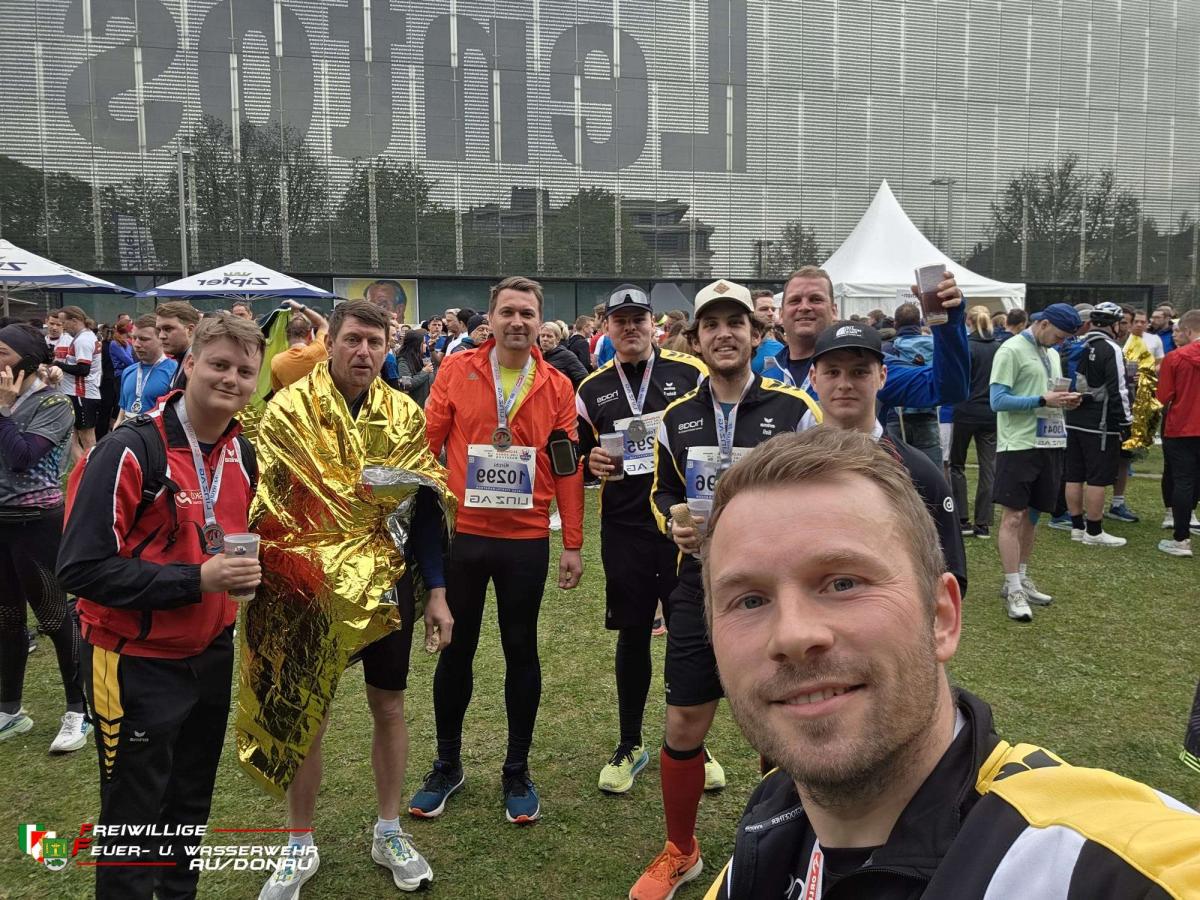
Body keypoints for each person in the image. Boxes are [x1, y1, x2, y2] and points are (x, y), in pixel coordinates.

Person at [700, 426, 1200, 900]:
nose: (792, 635)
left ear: (942, 616)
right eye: (749, 600)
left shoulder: (1101, 867)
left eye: (843, 583)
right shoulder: (775, 813)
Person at [245, 300, 455, 898]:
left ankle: (388, 830)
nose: (364, 351)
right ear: (329, 343)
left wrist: (437, 591)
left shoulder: (403, 412)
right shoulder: (288, 408)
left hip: (386, 581)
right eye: (353, 339)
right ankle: (298, 842)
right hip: (307, 584)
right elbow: (269, 503)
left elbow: (423, 508)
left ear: (387, 347)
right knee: (306, 711)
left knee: (389, 706)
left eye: (374, 342)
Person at [58, 315, 265, 899]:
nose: (230, 379)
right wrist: (196, 579)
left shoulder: (241, 450)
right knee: (133, 815)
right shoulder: (129, 449)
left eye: (244, 371)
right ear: (189, 364)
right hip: (133, 659)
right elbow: (80, 569)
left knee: (189, 802)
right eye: (218, 364)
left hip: (210, 652)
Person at [632, 279, 823, 900]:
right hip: (700, 585)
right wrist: (673, 525)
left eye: (735, 323)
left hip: (775, 589)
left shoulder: (795, 410)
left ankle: (793, 843)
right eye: (711, 325)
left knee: (784, 717)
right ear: (696, 339)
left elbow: (822, 491)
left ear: (755, 333)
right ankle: (680, 850)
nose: (723, 334)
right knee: (685, 720)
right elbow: (661, 491)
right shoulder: (676, 417)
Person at [413, 275, 584, 825]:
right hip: (463, 535)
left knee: (521, 650)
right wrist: (419, 517)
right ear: (491, 319)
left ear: (539, 322)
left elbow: (567, 465)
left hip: (525, 539)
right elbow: (427, 446)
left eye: (527, 313)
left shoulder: (557, 385)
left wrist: (573, 542)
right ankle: (447, 764)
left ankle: (516, 770)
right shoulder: (455, 370)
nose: (517, 322)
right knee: (455, 649)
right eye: (508, 311)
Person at [576, 283, 709, 795]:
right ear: (607, 327)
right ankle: (630, 742)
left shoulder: (690, 372)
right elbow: (578, 455)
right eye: (621, 320)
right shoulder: (591, 388)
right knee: (633, 633)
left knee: (688, 632)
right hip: (625, 526)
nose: (630, 328)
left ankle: (694, 742)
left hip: (682, 526)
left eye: (639, 319)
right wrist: (590, 462)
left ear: (655, 325)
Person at [808, 322, 967, 595]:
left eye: (859, 372)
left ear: (882, 376)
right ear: (813, 378)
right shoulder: (792, 467)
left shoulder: (918, 472)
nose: (844, 384)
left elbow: (950, 575)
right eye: (832, 372)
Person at [0, 324, 89, 753]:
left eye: (2, 352)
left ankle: (79, 711)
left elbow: (22, 457)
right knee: (6, 619)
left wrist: (4, 410)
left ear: (25, 361)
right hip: (1, 522)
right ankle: (10, 709)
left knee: (54, 618)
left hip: (36, 523)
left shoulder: (53, 403)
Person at [989, 303, 1082, 622]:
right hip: (1017, 445)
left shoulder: (1052, 353)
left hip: (1050, 441)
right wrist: (1042, 400)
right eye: (1058, 335)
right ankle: (1013, 587)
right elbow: (997, 401)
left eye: (1065, 338)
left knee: (1033, 515)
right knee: (1013, 516)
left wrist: (1064, 401)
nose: (1060, 342)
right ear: (1042, 324)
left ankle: (1021, 577)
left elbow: (1048, 395)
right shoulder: (1010, 350)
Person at [772, 266, 969, 411]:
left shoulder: (867, 367)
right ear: (781, 314)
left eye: (816, 299)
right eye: (795, 300)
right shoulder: (765, 373)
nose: (804, 307)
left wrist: (948, 323)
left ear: (833, 310)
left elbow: (949, 390)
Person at [1063, 302, 1132, 547]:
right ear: (1114, 325)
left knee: (1074, 474)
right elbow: (1118, 388)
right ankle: (1094, 532)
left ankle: (1077, 527)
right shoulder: (1111, 348)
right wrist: (1125, 421)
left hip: (1073, 418)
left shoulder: (1078, 344)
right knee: (1098, 478)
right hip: (1101, 423)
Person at [950, 306, 1001, 539]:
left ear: (968, 322)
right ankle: (983, 522)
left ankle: (962, 519)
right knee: (988, 468)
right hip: (990, 413)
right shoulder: (999, 347)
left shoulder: (966, 347)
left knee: (957, 465)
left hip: (965, 411)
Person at [1156, 308, 1200, 557]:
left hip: (1181, 426)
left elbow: (1164, 396)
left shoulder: (1175, 358)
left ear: (1187, 330)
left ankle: (1181, 539)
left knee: (1183, 480)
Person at [885, 302, 942, 469]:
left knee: (894, 471)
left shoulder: (888, 349)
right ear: (919, 322)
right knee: (931, 470)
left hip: (896, 415)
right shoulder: (934, 345)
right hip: (928, 413)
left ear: (895, 324)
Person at [54, 305, 102, 464]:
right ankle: (82, 471)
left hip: (82, 394)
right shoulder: (84, 336)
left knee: (87, 439)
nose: (63, 327)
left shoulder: (83, 340)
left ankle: (93, 470)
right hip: (77, 393)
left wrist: (58, 364)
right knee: (72, 437)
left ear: (74, 320)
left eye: (63, 323)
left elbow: (83, 369)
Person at [116, 315, 178, 425]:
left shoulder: (175, 371)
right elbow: (123, 411)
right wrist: (117, 427)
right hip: (127, 432)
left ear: (161, 339)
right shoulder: (128, 371)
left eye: (144, 339)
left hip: (156, 433)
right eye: (134, 338)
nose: (136, 344)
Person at [269, 299, 330, 391]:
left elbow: (277, 391)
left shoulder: (276, 361)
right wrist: (301, 308)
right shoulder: (320, 350)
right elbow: (323, 324)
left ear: (287, 335)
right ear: (309, 334)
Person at [156, 300, 201, 394]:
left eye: (168, 329)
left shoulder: (199, 365)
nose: (161, 336)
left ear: (190, 330)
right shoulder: (184, 359)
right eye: (159, 330)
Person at [538, 320, 588, 388]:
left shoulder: (567, 356)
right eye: (542, 336)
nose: (545, 339)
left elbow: (584, 379)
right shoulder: (538, 356)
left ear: (557, 339)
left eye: (549, 336)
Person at [396, 327, 435, 406]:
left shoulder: (422, 357)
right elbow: (406, 385)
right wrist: (424, 372)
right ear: (416, 345)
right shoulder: (403, 361)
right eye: (423, 343)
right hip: (415, 405)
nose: (426, 345)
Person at [750, 289, 785, 376]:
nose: (771, 313)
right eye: (764, 309)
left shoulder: (780, 348)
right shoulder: (737, 347)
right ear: (751, 312)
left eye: (772, 309)